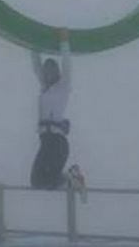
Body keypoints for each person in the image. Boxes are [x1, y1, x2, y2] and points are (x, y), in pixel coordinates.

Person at [30, 28, 81, 192]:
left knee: (43, 181)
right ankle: (71, 177)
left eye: (51, 71)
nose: (47, 74)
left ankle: (72, 178)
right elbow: (36, 65)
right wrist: (30, 42)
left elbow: (67, 66)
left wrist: (64, 42)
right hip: (46, 141)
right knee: (37, 181)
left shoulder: (62, 87)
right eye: (46, 71)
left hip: (57, 144)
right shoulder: (45, 87)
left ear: (57, 73)